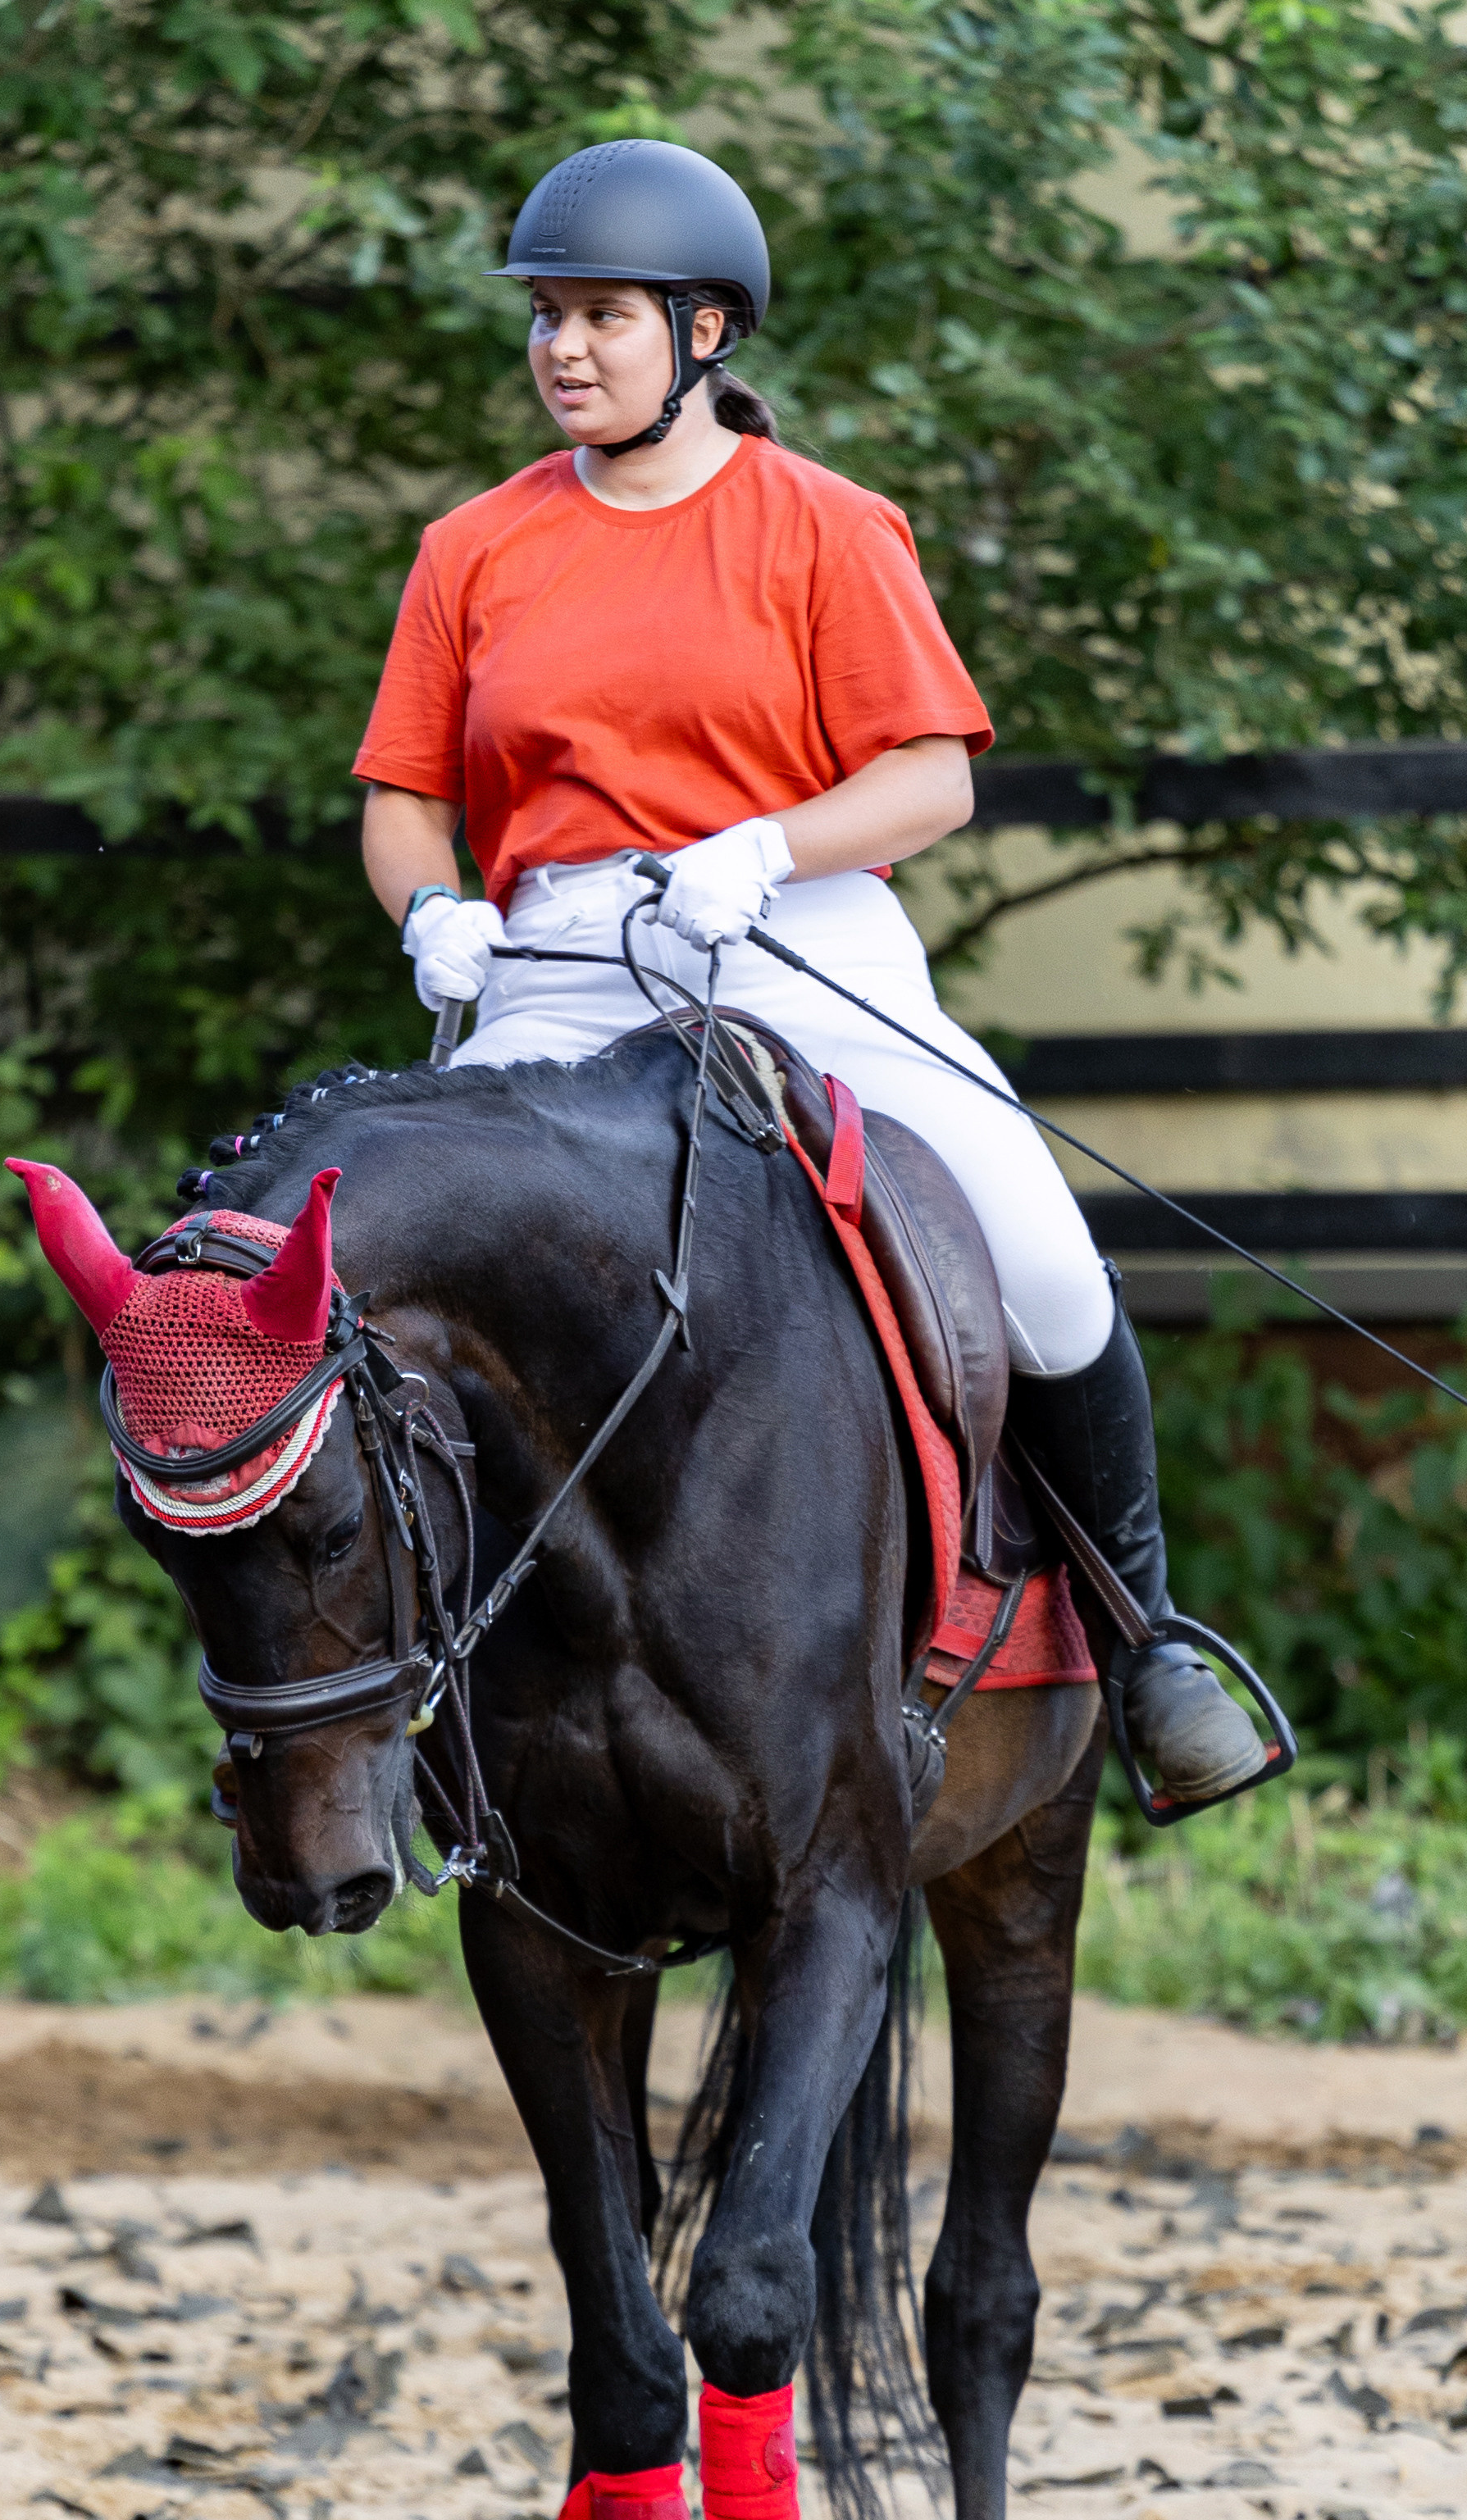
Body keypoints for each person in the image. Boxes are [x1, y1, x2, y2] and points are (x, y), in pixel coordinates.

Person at [353, 139, 1265, 1806]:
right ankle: (417, 1686)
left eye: (603, 316)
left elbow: (933, 778)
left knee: (1039, 1246)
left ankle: (1149, 1642)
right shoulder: (470, 549)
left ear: (707, 333)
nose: (562, 347)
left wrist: (766, 847)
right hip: (555, 968)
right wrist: (433, 915)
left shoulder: (826, 528)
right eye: (546, 317)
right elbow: (406, 802)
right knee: (407, 1275)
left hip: (793, 936)